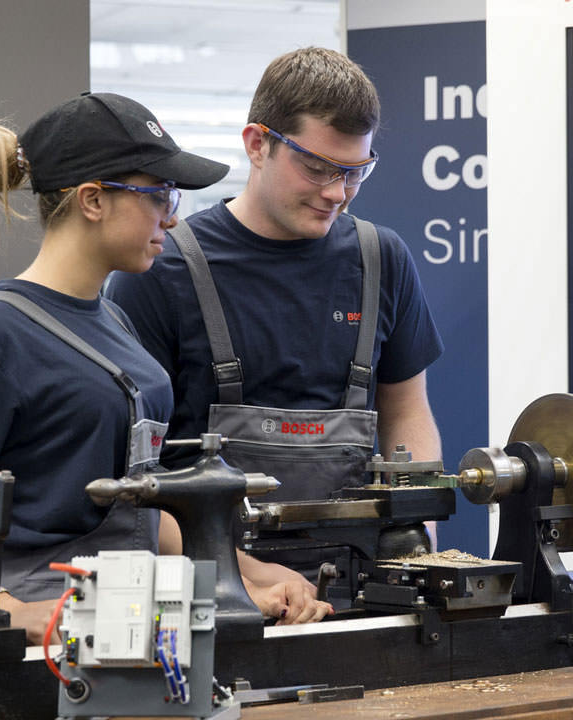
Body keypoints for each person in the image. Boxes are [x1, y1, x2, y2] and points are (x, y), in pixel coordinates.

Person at [0, 92, 331, 644]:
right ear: (93, 200)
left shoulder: (116, 325)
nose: (172, 216)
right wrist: (7, 611)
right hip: (41, 649)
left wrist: (244, 576)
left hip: (129, 629)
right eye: (158, 195)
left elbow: (141, 513)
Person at [106, 49, 445, 582]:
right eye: (317, 168)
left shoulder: (382, 261)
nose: (337, 193)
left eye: (356, 172)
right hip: (212, 587)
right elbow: (131, 472)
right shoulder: (162, 270)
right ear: (257, 144)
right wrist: (247, 579)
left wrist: (418, 535)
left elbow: (407, 411)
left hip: (361, 584)